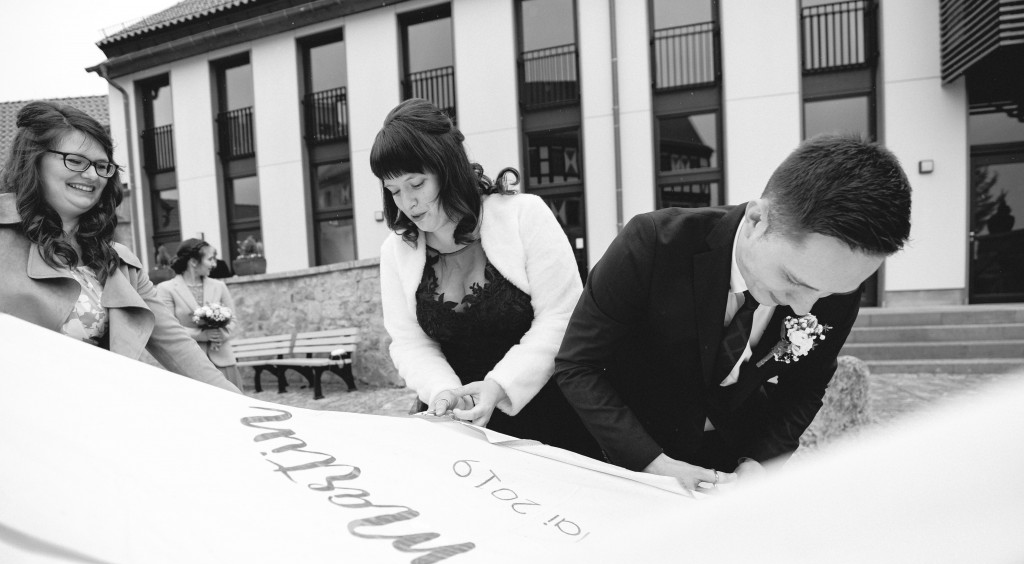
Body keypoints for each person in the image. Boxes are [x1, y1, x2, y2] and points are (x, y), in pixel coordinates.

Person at [555, 134, 912, 491]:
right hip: (622, 453)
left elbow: (805, 387)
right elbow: (579, 365)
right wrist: (651, 463)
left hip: (729, 466)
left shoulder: (832, 281)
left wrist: (761, 463)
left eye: (831, 292)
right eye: (792, 280)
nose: (805, 308)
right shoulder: (651, 243)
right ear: (758, 219)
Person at [371, 98, 598, 457]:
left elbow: (562, 317)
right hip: (455, 427)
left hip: (545, 417)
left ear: (447, 168)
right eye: (394, 190)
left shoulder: (525, 216)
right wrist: (443, 393)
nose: (408, 203)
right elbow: (409, 342)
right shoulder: (395, 251)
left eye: (416, 184)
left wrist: (498, 386)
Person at [0, 100, 239, 393]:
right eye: (75, 161)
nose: (92, 175)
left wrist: (242, 406)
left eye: (102, 166)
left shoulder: (120, 263)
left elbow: (179, 348)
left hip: (95, 418)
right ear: (34, 160)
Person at [155, 239, 245, 390]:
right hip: (188, 364)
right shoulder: (166, 289)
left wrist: (218, 335)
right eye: (210, 259)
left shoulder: (219, 286)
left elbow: (233, 320)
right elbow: (168, 327)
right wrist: (203, 335)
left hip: (223, 361)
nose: (214, 264)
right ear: (194, 262)